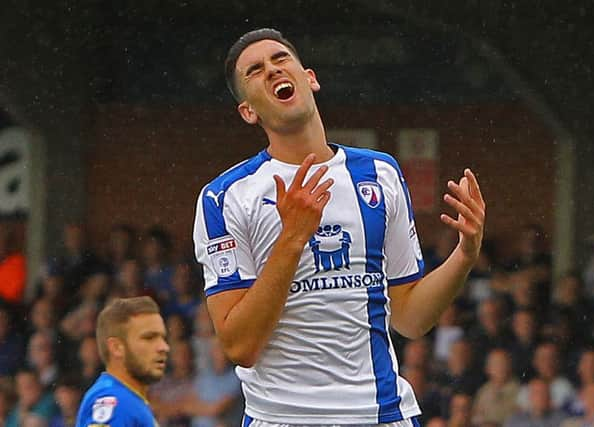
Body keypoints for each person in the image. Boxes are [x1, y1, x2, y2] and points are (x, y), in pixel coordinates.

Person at [193, 28, 486, 426]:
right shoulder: (225, 198)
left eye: (281, 60)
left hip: (381, 414)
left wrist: (464, 255)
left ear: (309, 78)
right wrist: (293, 237)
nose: (272, 70)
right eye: (255, 70)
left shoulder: (380, 173)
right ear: (249, 111)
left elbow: (411, 318)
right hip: (283, 418)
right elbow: (240, 344)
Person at [75, 296, 169, 426]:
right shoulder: (114, 401)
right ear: (116, 348)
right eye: (149, 338)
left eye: (163, 338)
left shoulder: (129, 399)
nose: (164, 347)